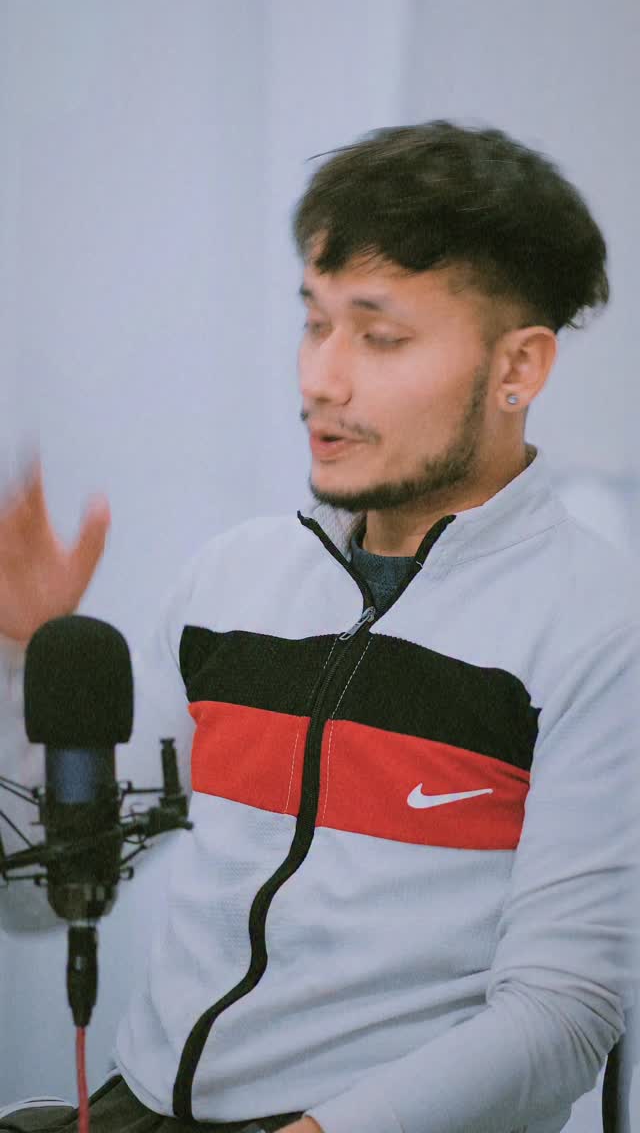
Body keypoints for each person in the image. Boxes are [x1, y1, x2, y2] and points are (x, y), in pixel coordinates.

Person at [0, 120, 638, 1133]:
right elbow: (44, 895)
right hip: (136, 1103)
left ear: (517, 367)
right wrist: (20, 660)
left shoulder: (600, 630)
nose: (320, 379)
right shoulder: (232, 579)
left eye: (378, 336)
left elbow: (563, 1016)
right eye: (314, 323)